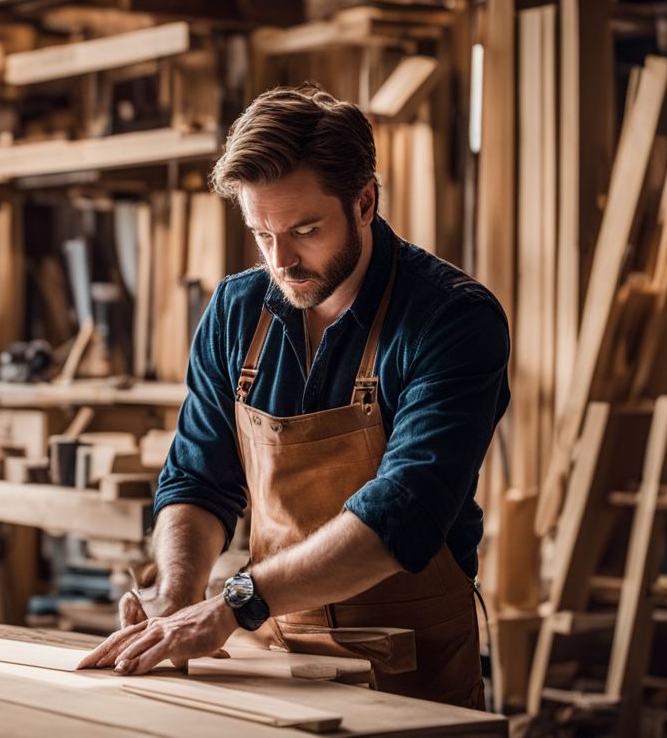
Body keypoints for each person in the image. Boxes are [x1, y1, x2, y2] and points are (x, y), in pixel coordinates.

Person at [78, 85, 509, 709]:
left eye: (305, 230)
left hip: (410, 675)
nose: (282, 261)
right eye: (262, 233)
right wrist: (175, 595)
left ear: (364, 202)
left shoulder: (452, 319)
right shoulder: (235, 311)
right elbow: (199, 480)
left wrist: (233, 602)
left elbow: (400, 516)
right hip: (270, 663)